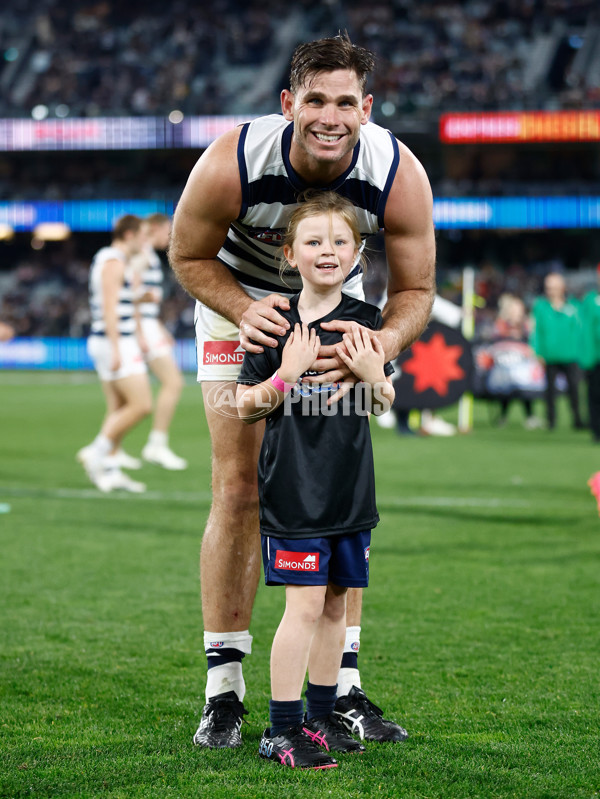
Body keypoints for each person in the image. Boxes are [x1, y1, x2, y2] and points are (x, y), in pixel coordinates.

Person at [169, 32, 435, 748]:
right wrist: (242, 308)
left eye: (345, 102)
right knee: (238, 487)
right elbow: (188, 253)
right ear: (289, 102)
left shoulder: (395, 170)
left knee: (336, 491)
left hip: (334, 305)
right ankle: (224, 688)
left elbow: (414, 288)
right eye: (314, 99)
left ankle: (339, 690)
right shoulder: (233, 159)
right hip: (241, 303)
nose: (329, 115)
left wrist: (378, 342)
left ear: (366, 108)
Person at [237, 193, 395, 768]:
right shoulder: (272, 320)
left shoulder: (367, 321)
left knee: (335, 607)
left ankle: (323, 715)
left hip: (351, 493)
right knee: (302, 609)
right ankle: (281, 729)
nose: (327, 251)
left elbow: (380, 402)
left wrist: (375, 373)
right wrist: (286, 374)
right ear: (290, 253)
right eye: (313, 241)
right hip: (295, 495)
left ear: (357, 254)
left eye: (339, 241)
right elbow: (244, 405)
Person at [77, 215, 153, 493]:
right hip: (115, 340)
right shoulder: (112, 261)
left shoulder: (114, 260)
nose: (146, 242)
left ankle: (108, 468)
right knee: (141, 405)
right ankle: (96, 452)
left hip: (115, 340)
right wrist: (117, 347)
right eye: (143, 236)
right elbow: (109, 307)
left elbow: (118, 299)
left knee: (119, 407)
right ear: (129, 235)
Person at [130, 213, 188, 470]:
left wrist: (159, 327)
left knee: (124, 398)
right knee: (173, 382)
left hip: (148, 326)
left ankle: (107, 449)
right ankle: (157, 444)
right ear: (155, 227)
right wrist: (142, 331)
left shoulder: (148, 257)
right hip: (141, 327)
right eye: (168, 230)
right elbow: (128, 294)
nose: (171, 236)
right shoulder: (143, 256)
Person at [531, 272, 584, 431]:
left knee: (574, 388)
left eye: (554, 287)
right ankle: (551, 420)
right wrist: (537, 351)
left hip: (571, 354)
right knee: (550, 391)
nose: (550, 290)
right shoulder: (540, 307)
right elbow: (536, 331)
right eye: (548, 287)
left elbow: (580, 330)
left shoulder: (574, 306)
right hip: (550, 355)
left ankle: (577, 419)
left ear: (562, 288)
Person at [493, 294, 543, 429]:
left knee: (525, 390)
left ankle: (530, 416)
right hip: (506, 364)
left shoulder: (526, 324)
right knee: (507, 391)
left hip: (523, 364)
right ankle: (503, 416)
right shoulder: (503, 324)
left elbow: (533, 340)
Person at [580, 265, 600, 442]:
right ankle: (596, 431)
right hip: (595, 357)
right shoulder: (591, 300)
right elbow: (585, 330)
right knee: (594, 394)